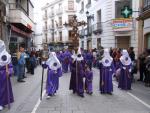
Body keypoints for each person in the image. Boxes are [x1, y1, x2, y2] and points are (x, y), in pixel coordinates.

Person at [0, 40, 14, 110]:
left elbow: (10, 66)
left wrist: (9, 72)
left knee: (2, 89)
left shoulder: (7, 56)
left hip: (3, 75)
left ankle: (1, 103)